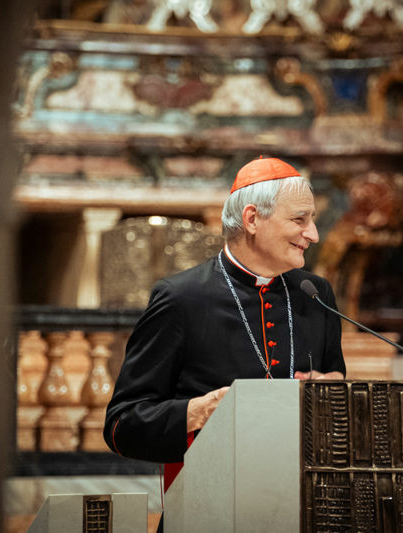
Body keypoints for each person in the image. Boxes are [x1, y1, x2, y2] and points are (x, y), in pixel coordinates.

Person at [103, 157, 346, 508]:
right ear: (252, 219)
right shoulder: (182, 298)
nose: (313, 235)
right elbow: (122, 425)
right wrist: (199, 411)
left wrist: (335, 393)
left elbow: (335, 392)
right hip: (209, 506)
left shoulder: (315, 293)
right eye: (299, 219)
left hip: (300, 504)